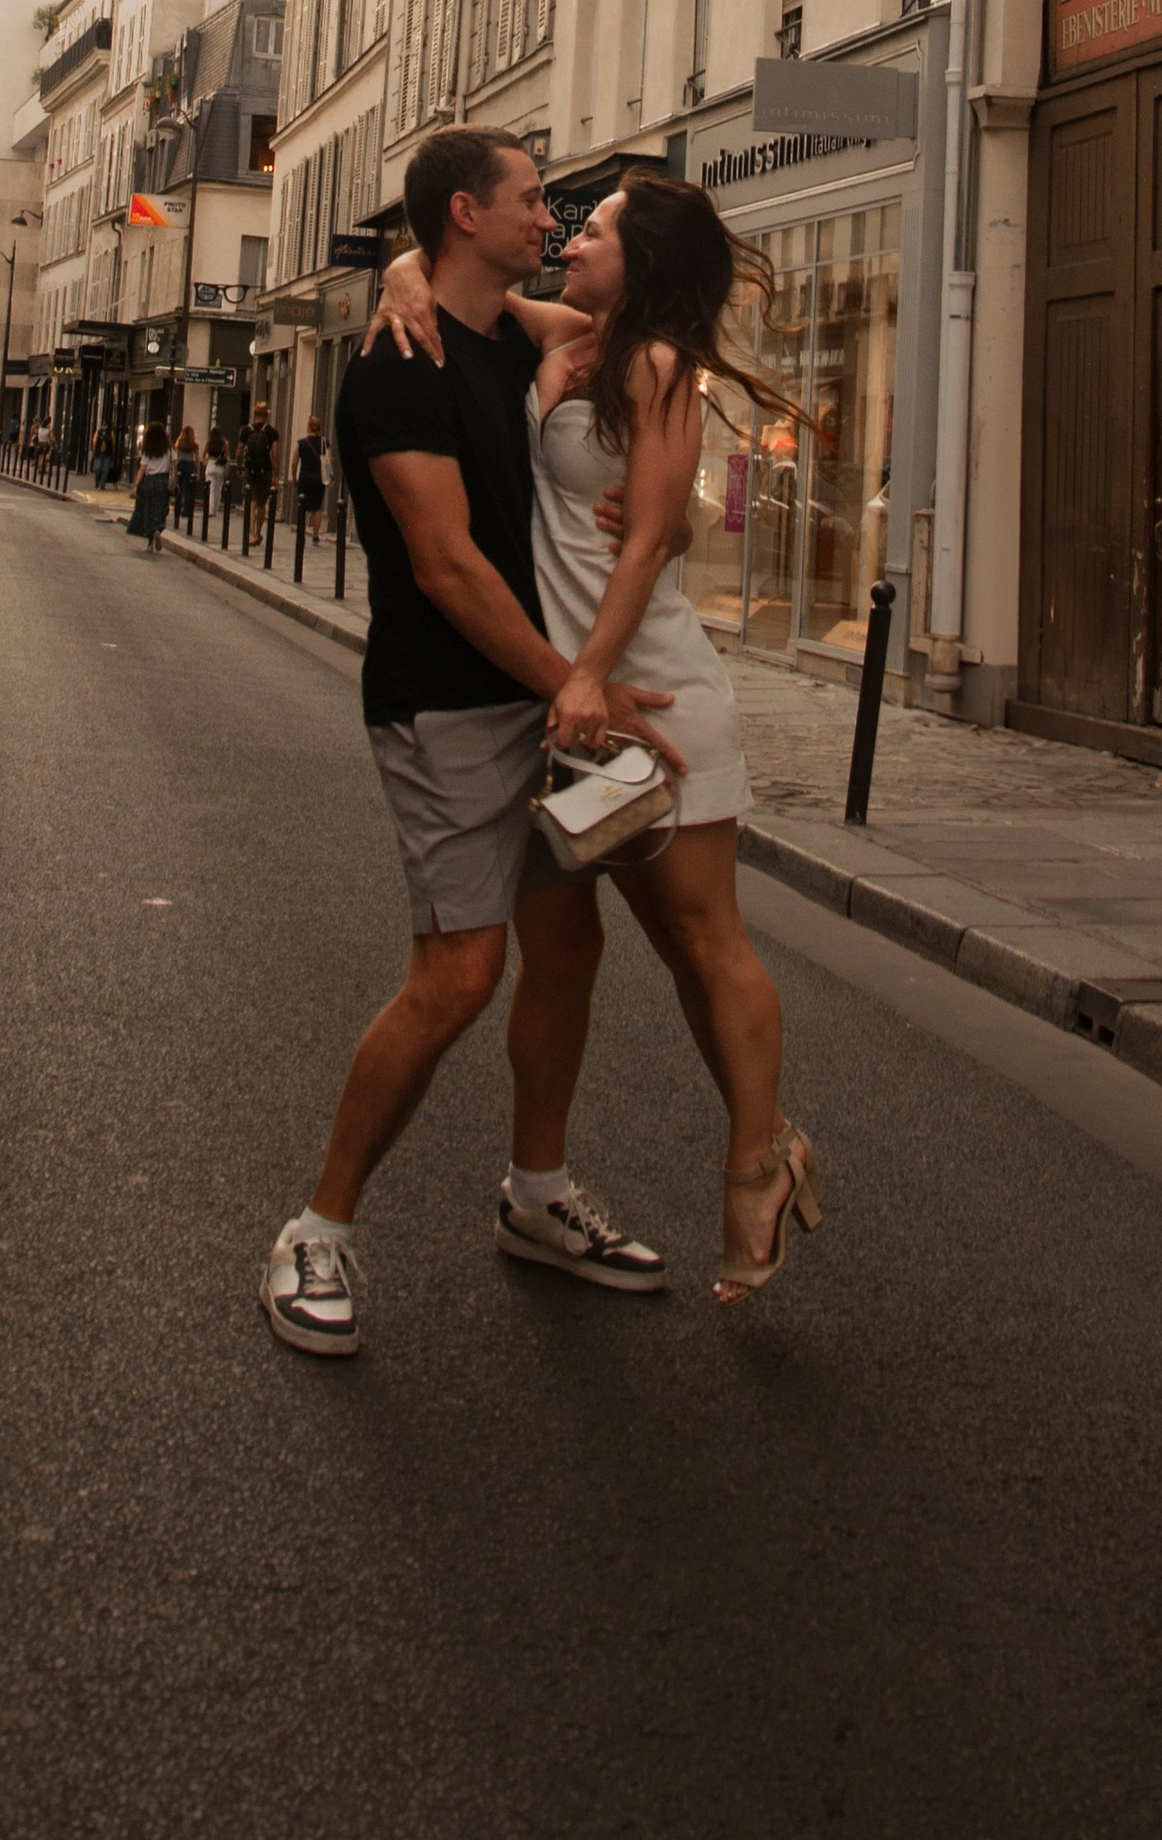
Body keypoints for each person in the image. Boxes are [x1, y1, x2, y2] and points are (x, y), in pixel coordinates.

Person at [261, 128, 683, 1362]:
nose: (546, 221)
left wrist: (669, 500)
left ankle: (538, 1195)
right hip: (447, 700)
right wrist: (578, 686)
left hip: (535, 698)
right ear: (464, 212)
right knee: (455, 975)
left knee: (566, 949)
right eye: (527, 202)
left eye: (558, 210)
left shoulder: (502, 330)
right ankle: (316, 1227)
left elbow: (618, 331)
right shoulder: (397, 368)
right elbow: (443, 567)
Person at [369, 171, 820, 1303]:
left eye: (600, 230)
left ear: (645, 258)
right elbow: (454, 276)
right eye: (566, 221)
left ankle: (757, 1162)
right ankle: (539, 1189)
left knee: (702, 941)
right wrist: (402, 267)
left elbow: (650, 539)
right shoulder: (569, 336)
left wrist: (589, 675)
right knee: (571, 951)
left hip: (643, 696)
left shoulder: (660, 365)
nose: (572, 237)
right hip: (564, 711)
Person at [127, 423, 172, 545]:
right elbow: (175, 464)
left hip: (149, 481)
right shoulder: (169, 450)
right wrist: (175, 482)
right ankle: (158, 528)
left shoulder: (148, 451)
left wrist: (136, 485)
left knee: (148, 510)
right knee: (162, 508)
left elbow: (142, 468)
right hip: (163, 482)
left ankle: (150, 542)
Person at [241, 405, 278, 551]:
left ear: (254, 413)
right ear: (266, 415)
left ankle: (250, 534)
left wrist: (240, 467)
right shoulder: (272, 432)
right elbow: (275, 454)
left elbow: (238, 450)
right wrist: (276, 473)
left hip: (250, 470)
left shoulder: (246, 430)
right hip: (265, 471)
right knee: (262, 504)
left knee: (251, 502)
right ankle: (258, 532)